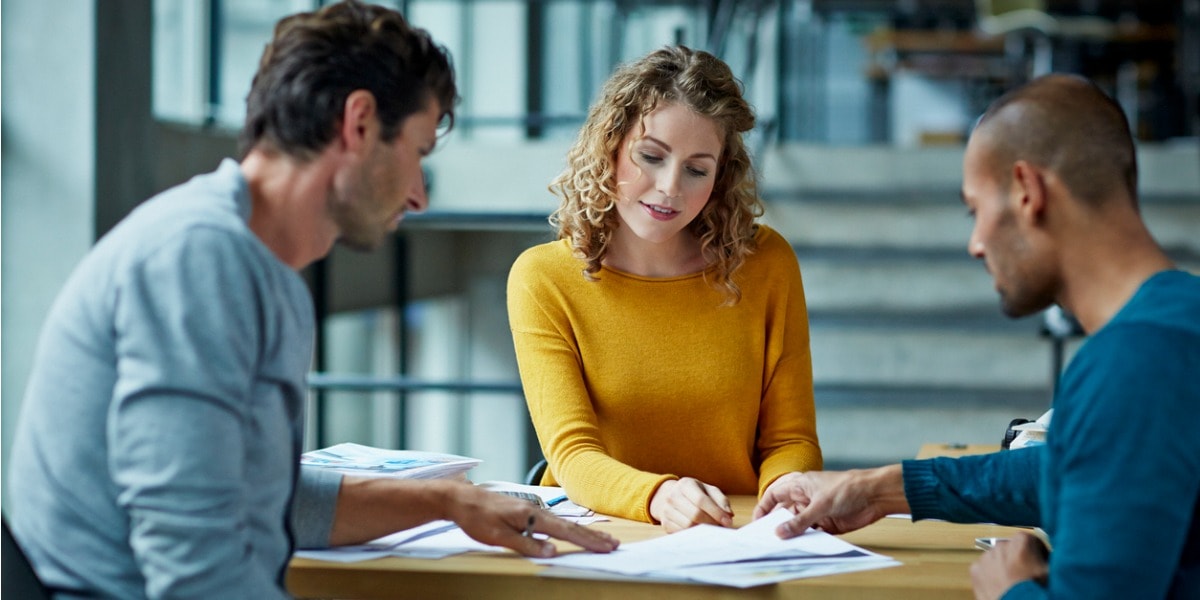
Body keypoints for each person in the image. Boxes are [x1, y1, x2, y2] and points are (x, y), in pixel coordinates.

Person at [6, 2, 616, 598]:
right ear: (358, 124)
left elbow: (255, 494)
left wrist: (449, 500)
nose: (418, 196)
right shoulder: (197, 259)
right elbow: (195, 567)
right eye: (418, 155)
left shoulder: (259, 267)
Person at [753, 74, 1199, 599]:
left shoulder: (1132, 364)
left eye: (976, 210)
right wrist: (874, 490)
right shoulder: (1178, 318)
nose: (975, 243)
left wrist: (1010, 589)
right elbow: (1068, 470)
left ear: (1028, 192)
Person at [507, 45, 823, 533]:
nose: (670, 187)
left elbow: (790, 439)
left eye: (697, 169)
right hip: (598, 534)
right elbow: (572, 454)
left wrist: (784, 496)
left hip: (737, 534)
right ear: (608, 148)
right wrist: (659, 496)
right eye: (651, 157)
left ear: (720, 177)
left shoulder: (766, 264)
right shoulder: (543, 278)